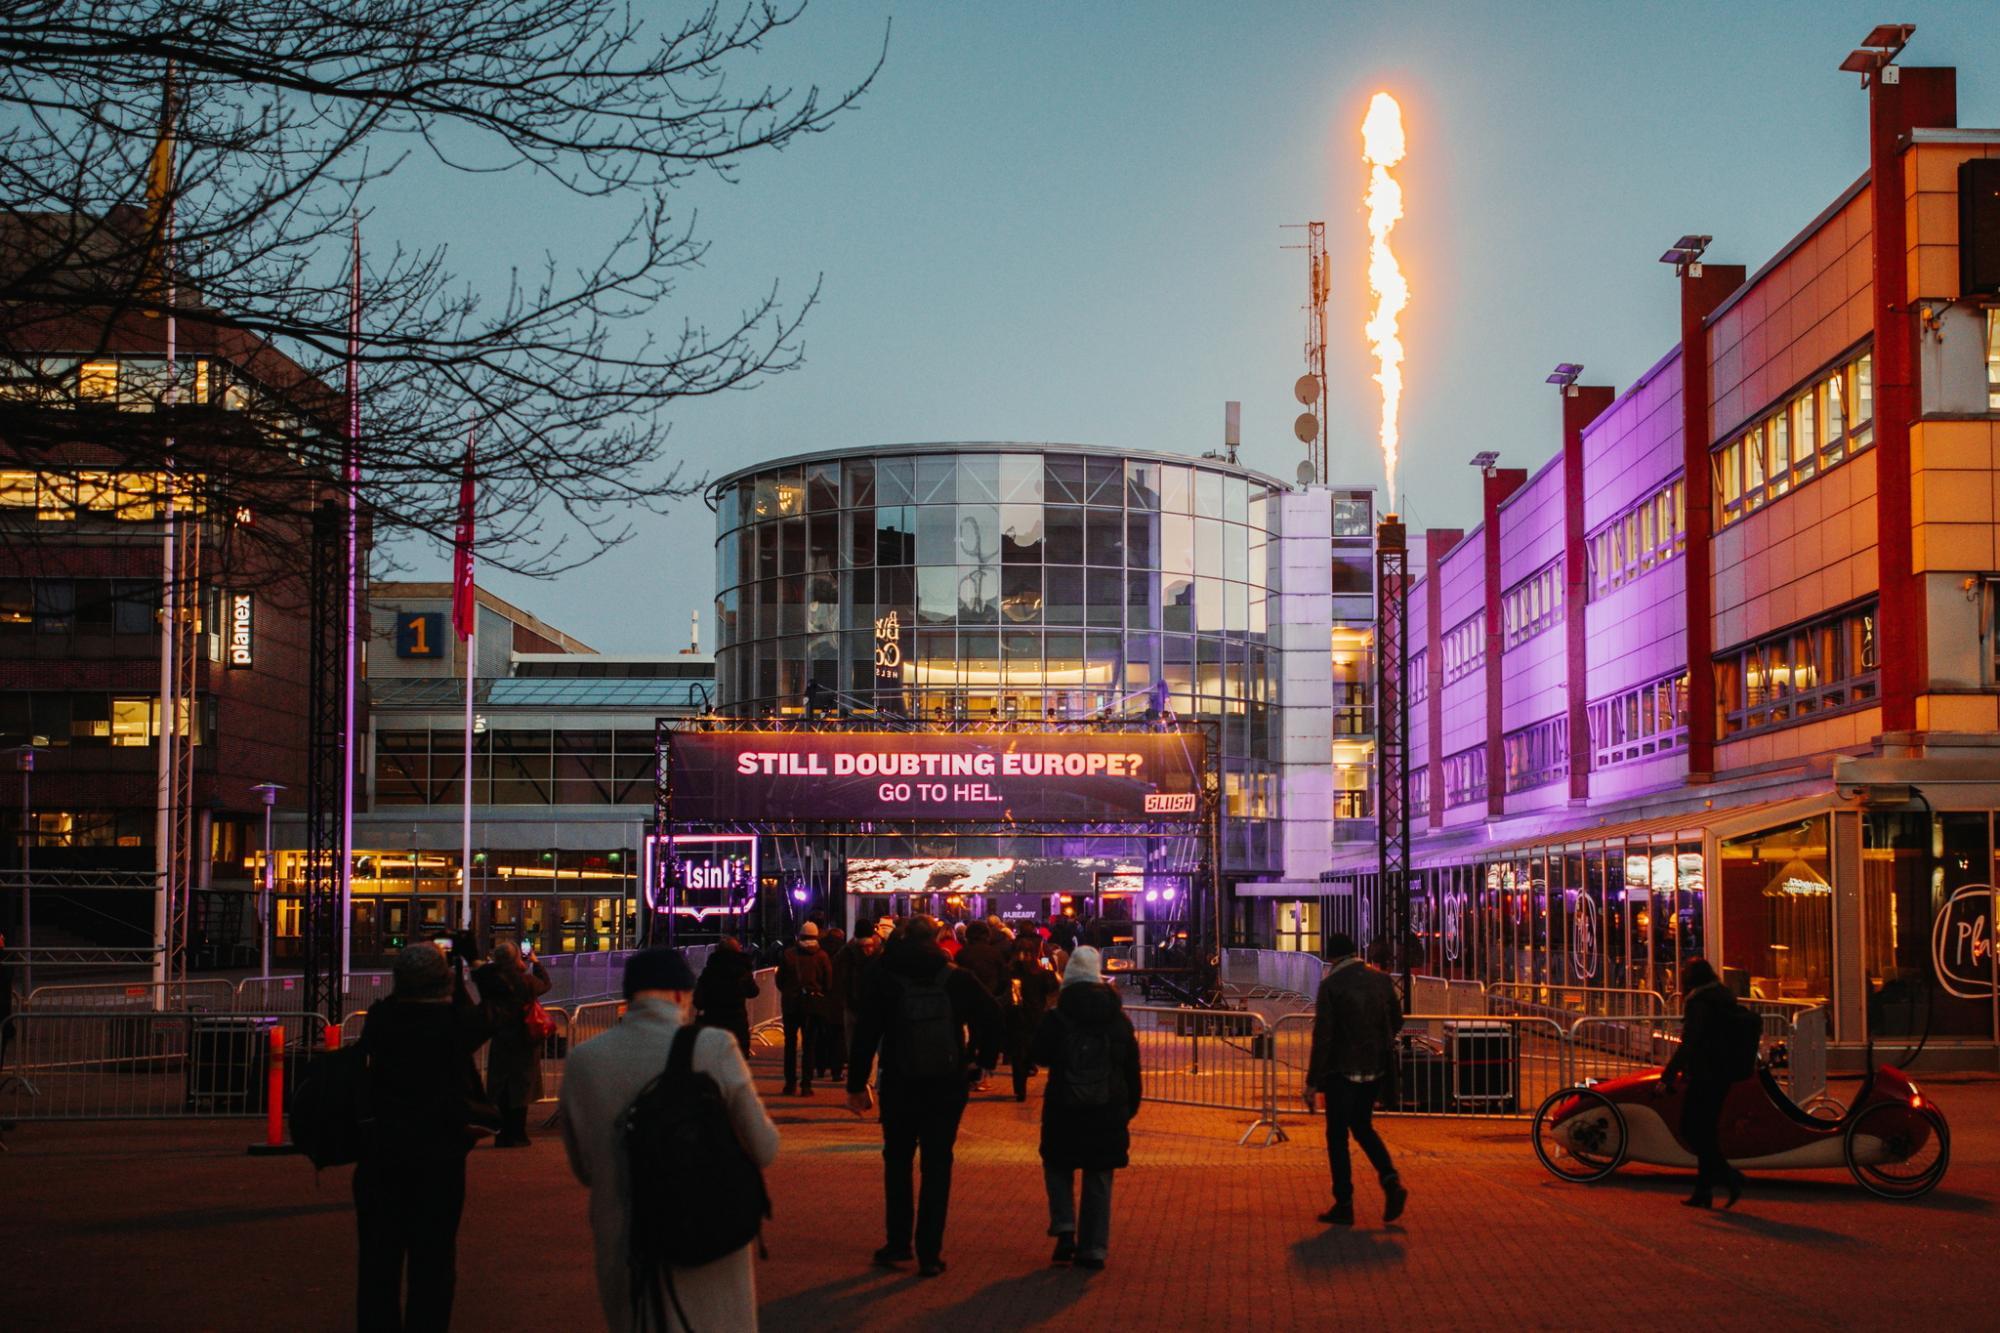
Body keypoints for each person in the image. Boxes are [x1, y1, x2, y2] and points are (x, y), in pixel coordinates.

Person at [560, 948, 779, 1333]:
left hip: (630, 1240)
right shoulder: (712, 1048)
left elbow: (586, 1168)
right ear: (681, 994)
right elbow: (764, 1146)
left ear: (629, 997)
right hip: (709, 1232)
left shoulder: (584, 1060)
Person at [846, 915, 1002, 1278]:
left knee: (897, 1161)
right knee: (937, 1164)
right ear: (935, 939)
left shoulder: (886, 977)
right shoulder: (954, 977)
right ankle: (930, 1252)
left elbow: (866, 1034)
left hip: (900, 1081)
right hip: (946, 1083)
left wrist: (856, 1084)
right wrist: (981, 1061)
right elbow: (993, 1016)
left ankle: (898, 1243)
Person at [354, 942, 493, 1332]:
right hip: (438, 1159)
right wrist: (474, 963)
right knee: (433, 1264)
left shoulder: (381, 1019)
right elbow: (500, 1004)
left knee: (378, 1266)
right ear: (444, 981)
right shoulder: (452, 1025)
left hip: (381, 1155)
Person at [1030, 946, 1141, 1270]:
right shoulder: (1117, 1018)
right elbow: (1129, 1066)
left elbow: (1040, 1055)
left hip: (1064, 1103)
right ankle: (1093, 1249)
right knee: (1099, 1175)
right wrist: (1130, 1105)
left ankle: (1064, 1225)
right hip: (1107, 1104)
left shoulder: (1057, 1015)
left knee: (1057, 1164)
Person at [1304, 932, 1407, 1227]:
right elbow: (1397, 1020)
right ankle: (1390, 1181)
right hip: (1375, 1068)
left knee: (1337, 1136)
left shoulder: (1330, 986)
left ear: (1332, 957)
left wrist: (1313, 1082)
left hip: (1341, 1072)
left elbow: (1323, 1037)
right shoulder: (1381, 980)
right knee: (1363, 1126)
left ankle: (1344, 1202)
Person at [1660, 957, 1751, 1209]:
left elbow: (1690, 1042)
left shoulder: (1699, 1002)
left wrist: (1669, 1075)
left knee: (1691, 1128)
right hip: (1722, 1072)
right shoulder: (1722, 995)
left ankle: (1729, 1177)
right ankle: (1704, 1190)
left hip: (1705, 1072)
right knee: (1705, 1131)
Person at [472, 939, 552, 1147]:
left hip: (501, 1037)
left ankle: (503, 1132)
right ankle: (518, 1133)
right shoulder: (525, 981)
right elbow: (545, 985)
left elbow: (480, 974)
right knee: (522, 1086)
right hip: (524, 1038)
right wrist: (536, 963)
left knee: (502, 1087)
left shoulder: (493, 981)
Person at [999, 933, 1061, 1101]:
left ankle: (1020, 1088)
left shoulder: (1011, 970)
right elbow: (1052, 985)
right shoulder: (1039, 969)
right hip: (1035, 1014)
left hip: (1017, 1016)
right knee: (1029, 1049)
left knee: (1019, 1053)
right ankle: (1029, 1068)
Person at [775, 922, 833, 1096]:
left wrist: (790, 991)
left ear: (800, 936)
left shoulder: (788, 955)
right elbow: (828, 983)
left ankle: (789, 1083)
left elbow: (779, 981)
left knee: (790, 1045)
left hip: (791, 1005)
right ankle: (806, 1084)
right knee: (809, 1045)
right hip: (812, 1005)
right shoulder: (822, 956)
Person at [694, 936, 760, 1055]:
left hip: (714, 1021)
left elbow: (698, 999)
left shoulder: (710, 971)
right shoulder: (743, 970)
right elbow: (753, 992)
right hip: (737, 1021)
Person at [833, 928, 882, 1080]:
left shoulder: (846, 952)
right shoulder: (878, 953)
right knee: (871, 1044)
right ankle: (870, 1079)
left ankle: (856, 1078)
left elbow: (837, 975)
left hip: (850, 1004)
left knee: (852, 1044)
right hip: (871, 1005)